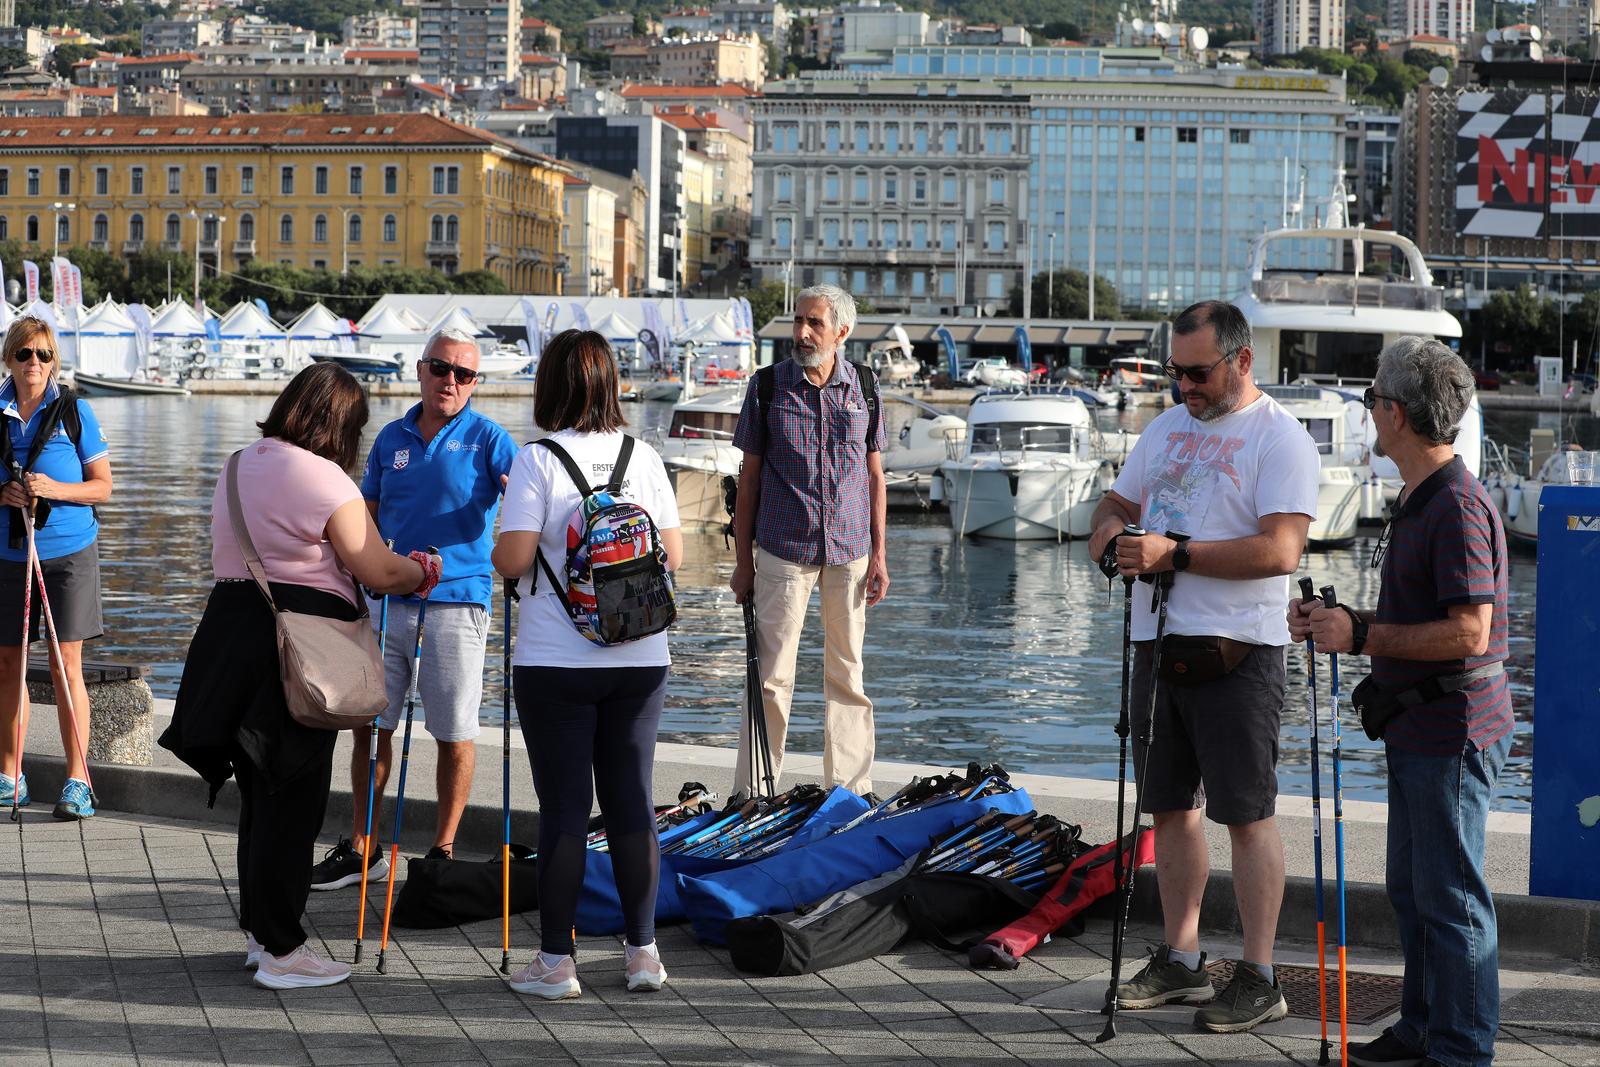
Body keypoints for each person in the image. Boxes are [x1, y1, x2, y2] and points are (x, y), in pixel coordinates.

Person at [159, 363, 442, 990]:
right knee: (293, 798)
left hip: (230, 636)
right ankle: (283, 951)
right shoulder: (323, 477)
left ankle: (261, 936)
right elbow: (376, 569)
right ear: (339, 424)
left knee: (259, 797)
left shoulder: (237, 464)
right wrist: (421, 571)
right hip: (295, 649)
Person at [1086, 300, 1320, 1032]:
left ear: (1241, 360)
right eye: (1175, 372)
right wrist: (1111, 539)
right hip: (1157, 643)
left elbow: (1281, 550)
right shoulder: (1164, 428)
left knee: (1247, 815)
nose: (1183, 386)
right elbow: (1115, 503)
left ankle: (1259, 975)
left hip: (1239, 653)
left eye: (1197, 373)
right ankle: (1182, 959)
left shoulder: (1281, 438)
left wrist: (1175, 554)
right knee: (1170, 808)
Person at [1290, 336, 1511, 1067]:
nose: (1368, 414)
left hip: (1453, 731)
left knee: (1451, 898)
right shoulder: (1424, 496)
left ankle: (1462, 1049)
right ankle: (1423, 1029)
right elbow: (1425, 618)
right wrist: (1343, 622)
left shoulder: (1457, 506)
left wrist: (1360, 635)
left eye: (1369, 401)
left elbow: (1470, 630)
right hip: (1422, 724)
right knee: (1415, 890)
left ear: (1395, 413)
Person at [492, 330, 683, 1000]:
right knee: (632, 801)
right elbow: (675, 556)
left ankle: (555, 963)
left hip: (555, 662)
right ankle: (643, 954)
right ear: (610, 385)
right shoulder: (644, 457)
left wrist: (507, 535)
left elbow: (513, 559)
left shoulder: (537, 460)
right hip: (641, 656)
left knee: (566, 810)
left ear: (551, 385)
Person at [310, 327, 516, 891]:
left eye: (464, 374)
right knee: (369, 725)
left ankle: (442, 851)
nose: (451, 381)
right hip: (388, 602)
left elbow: (525, 497)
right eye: (441, 368)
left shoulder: (490, 438)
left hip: (457, 604)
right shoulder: (390, 437)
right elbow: (366, 514)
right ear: (421, 370)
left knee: (453, 731)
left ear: (475, 383)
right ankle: (364, 848)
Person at [728, 283, 888, 798]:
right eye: (799, 321)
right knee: (771, 677)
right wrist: (743, 563)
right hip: (783, 550)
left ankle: (850, 792)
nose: (801, 332)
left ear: (841, 331)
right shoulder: (767, 386)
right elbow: (748, 480)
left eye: (814, 323)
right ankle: (755, 792)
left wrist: (880, 555)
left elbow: (875, 476)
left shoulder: (865, 386)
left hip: (850, 552)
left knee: (847, 674)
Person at [0, 315, 112, 821]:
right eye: (25, 353)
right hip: (8, 554)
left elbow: (103, 486)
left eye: (44, 354)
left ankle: (78, 780)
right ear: (10, 358)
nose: (34, 363)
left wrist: (54, 489)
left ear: (54, 362)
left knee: (67, 666)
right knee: (9, 665)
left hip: (69, 553)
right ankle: (10, 775)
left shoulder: (74, 411)